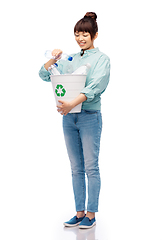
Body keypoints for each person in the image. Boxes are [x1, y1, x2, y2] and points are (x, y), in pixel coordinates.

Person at [39, 12, 110, 229]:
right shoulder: (71, 59)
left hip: (89, 117)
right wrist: (54, 57)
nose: (80, 38)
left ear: (95, 35)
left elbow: (95, 88)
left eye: (85, 34)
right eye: (77, 34)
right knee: (75, 167)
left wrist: (71, 104)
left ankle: (91, 214)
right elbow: (45, 75)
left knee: (91, 167)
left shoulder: (102, 59)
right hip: (69, 118)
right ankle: (79, 212)